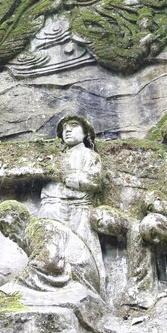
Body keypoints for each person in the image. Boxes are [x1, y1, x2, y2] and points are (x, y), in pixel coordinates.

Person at [38, 115, 105, 287]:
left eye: (73, 126)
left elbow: (96, 181)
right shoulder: (55, 158)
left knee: (81, 254)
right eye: (64, 129)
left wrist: (77, 181)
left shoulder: (90, 156)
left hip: (79, 209)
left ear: (85, 133)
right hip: (53, 208)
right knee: (51, 250)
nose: (67, 130)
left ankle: (87, 287)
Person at [0, 200, 101, 296]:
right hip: (69, 280)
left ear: (21, 218)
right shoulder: (37, 231)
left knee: (7, 296)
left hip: (78, 281)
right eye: (1, 229)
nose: (6, 233)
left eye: (5, 225)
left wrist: (15, 285)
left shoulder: (42, 226)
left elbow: (48, 262)